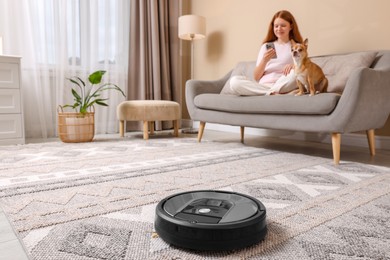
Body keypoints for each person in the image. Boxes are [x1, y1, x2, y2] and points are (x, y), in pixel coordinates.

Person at [230, 10, 303, 95]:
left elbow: (305, 68)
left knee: (297, 73)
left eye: (283, 26)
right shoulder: (267, 46)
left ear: (291, 27)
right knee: (234, 82)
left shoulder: (297, 46)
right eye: (276, 26)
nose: (279, 29)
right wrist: (264, 60)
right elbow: (256, 77)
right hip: (264, 85)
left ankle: (270, 92)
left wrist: (293, 66)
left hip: (284, 84)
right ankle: (273, 93)